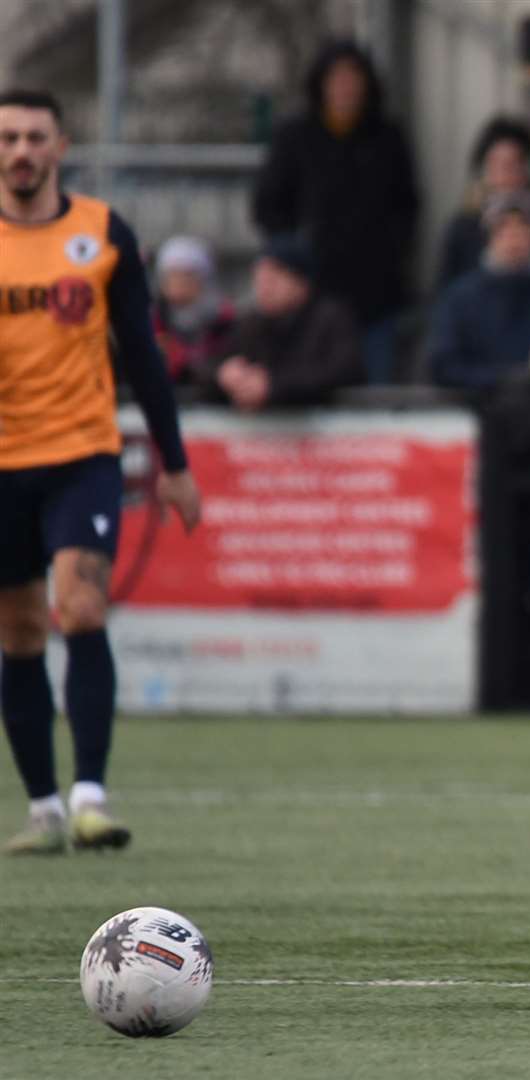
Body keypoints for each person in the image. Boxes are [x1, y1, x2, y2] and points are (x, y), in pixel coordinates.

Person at [0, 88, 203, 855]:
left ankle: (90, 795)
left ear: (60, 145)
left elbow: (143, 355)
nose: (21, 151)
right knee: (18, 630)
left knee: (80, 607)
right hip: (2, 465)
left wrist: (176, 465)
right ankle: (45, 808)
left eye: (34, 137)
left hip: (82, 454)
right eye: (9, 137)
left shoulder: (100, 233)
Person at [252, 39, 420, 384]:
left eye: (353, 78)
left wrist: (389, 252)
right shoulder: (295, 137)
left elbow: (407, 206)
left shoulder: (387, 137)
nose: (345, 87)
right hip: (312, 295)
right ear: (321, 84)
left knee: (376, 385)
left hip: (375, 295)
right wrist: (292, 258)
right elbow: (267, 205)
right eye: (336, 78)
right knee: (311, 382)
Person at [427, 191, 530, 402]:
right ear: (489, 237)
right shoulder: (460, 299)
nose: (513, 235)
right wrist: (501, 381)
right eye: (503, 227)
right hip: (480, 418)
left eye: (523, 225)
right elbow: (443, 366)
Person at [209, 236, 364, 411]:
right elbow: (207, 363)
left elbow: (343, 370)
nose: (264, 289)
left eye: (273, 280)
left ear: (301, 283)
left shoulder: (331, 319)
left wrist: (273, 385)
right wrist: (224, 373)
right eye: (259, 280)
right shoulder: (249, 323)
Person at [437, 115, 530, 290]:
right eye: (497, 163)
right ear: (484, 170)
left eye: (514, 163)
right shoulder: (463, 227)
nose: (505, 173)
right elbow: (445, 291)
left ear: (527, 168)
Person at [150, 235, 235, 386]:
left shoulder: (222, 318)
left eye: (186, 275)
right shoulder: (154, 318)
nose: (178, 283)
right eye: (172, 275)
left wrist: (185, 359)